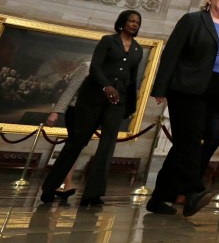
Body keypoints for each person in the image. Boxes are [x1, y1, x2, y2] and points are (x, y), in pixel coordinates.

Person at [146, 0, 219, 217]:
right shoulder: (193, 20)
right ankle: (193, 190)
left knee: (209, 139)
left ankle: (160, 197)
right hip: (189, 88)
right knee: (189, 141)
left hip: (217, 90)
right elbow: (171, 53)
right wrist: (161, 88)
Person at [40, 10, 144, 207]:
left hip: (117, 103)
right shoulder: (108, 41)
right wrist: (106, 86)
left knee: (107, 147)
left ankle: (93, 194)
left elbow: (132, 80)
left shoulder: (138, 50)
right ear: (122, 22)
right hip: (92, 99)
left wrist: (131, 106)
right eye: (131, 21)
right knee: (76, 143)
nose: (134, 24)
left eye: (137, 22)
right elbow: (95, 67)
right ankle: (50, 188)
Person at [44, 60, 91, 199]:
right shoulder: (87, 66)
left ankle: (66, 183)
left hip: (89, 113)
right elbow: (71, 89)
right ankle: (64, 183)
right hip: (75, 109)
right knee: (73, 146)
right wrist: (56, 111)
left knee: (76, 147)